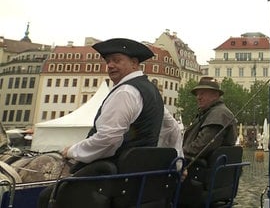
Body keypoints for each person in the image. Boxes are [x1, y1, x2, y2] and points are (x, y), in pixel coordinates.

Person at [38, 38, 177, 208]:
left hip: (114, 179)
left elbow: (108, 138)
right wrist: (176, 163)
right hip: (139, 179)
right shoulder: (151, 90)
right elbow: (172, 128)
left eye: (117, 60)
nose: (110, 65)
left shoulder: (125, 92)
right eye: (108, 61)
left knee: (48, 196)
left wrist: (72, 151)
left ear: (134, 63)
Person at [179, 77, 237, 206]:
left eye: (203, 93)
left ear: (215, 95)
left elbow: (200, 147)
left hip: (199, 176)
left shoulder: (218, 114)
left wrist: (177, 155)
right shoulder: (213, 113)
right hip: (212, 178)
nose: (198, 97)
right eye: (197, 94)